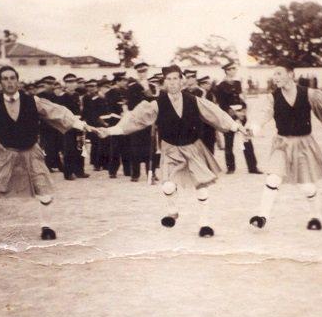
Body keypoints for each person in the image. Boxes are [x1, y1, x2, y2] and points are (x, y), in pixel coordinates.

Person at [95, 65, 248, 237]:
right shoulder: (156, 104)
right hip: (170, 149)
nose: (173, 82)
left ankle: (204, 224)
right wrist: (110, 131)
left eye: (176, 78)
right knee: (168, 186)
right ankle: (172, 209)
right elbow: (134, 120)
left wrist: (237, 127)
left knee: (202, 189)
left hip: (193, 147)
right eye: (169, 79)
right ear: (164, 82)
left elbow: (216, 114)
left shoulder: (194, 100)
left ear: (182, 80)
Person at [0, 66, 96, 243]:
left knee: (44, 191)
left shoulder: (32, 101)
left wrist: (80, 124)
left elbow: (56, 112)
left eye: (13, 78)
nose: (10, 82)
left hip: (30, 151)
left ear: (18, 80)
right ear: (0, 82)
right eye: (5, 78)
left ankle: (47, 226)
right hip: (6, 153)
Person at [247, 61, 322, 231]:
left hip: (303, 143)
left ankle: (315, 216)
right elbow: (263, 116)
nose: (275, 77)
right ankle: (262, 217)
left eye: (279, 73)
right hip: (281, 143)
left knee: (307, 187)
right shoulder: (272, 97)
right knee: (273, 178)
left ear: (291, 74)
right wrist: (253, 128)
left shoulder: (310, 94)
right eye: (274, 74)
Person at [216, 61, 260, 174]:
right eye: (231, 69)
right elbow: (222, 104)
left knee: (247, 141)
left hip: (241, 115)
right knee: (229, 142)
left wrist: (244, 110)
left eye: (234, 69)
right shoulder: (220, 86)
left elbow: (242, 99)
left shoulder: (238, 83)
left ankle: (253, 167)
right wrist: (235, 114)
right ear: (226, 71)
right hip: (229, 116)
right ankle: (231, 168)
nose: (234, 71)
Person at [58, 73, 89, 180]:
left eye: (73, 82)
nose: (71, 85)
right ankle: (68, 173)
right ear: (65, 84)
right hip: (68, 125)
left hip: (79, 124)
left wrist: (83, 120)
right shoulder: (62, 97)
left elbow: (82, 110)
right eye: (69, 82)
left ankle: (80, 171)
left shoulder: (77, 96)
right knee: (69, 149)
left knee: (80, 147)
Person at [106, 71, 131, 178]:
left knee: (127, 147)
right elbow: (109, 109)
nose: (126, 82)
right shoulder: (110, 93)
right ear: (117, 81)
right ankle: (112, 171)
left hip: (126, 122)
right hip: (115, 122)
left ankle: (127, 170)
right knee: (115, 148)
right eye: (124, 80)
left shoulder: (126, 91)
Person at [37, 76, 64, 172]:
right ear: (44, 85)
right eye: (48, 84)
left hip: (56, 124)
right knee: (47, 145)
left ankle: (58, 164)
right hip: (45, 124)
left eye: (52, 84)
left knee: (57, 144)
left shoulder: (56, 97)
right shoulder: (39, 96)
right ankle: (47, 165)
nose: (51, 86)